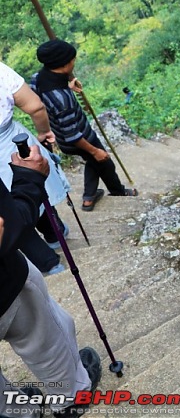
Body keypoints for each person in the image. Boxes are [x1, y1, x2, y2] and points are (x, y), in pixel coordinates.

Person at [0, 143, 101, 417]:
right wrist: (29, 181)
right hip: (4, 289)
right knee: (45, 342)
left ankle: (17, 412)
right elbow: (4, 227)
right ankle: (70, 397)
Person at [31, 39, 137, 212]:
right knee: (103, 161)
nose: (74, 61)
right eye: (72, 59)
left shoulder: (38, 79)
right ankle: (116, 193)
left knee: (95, 162)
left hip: (61, 136)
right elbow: (72, 134)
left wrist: (67, 86)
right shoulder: (62, 100)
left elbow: (46, 100)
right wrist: (95, 150)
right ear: (65, 64)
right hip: (80, 138)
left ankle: (90, 197)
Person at [0, 61, 68, 275]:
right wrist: (44, 132)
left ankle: (47, 262)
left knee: (7, 208)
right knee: (33, 182)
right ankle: (55, 234)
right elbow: (35, 106)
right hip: (13, 139)